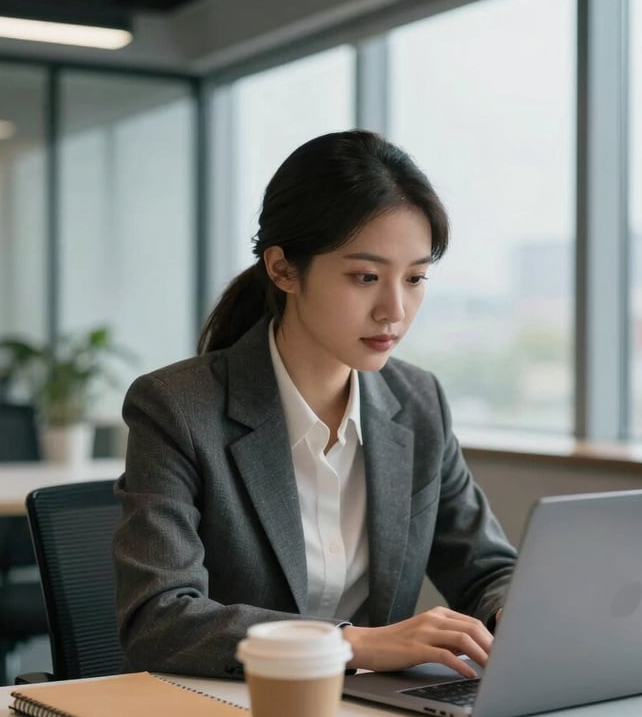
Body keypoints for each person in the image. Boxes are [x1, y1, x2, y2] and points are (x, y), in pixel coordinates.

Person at [113, 129, 517, 681]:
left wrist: (507, 611)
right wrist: (355, 645)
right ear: (283, 270)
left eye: (416, 278)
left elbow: (487, 567)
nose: (393, 310)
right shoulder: (177, 408)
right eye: (365, 277)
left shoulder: (418, 402)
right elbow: (160, 620)